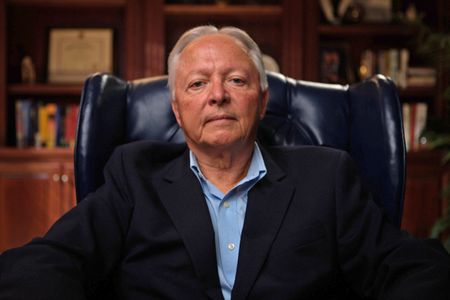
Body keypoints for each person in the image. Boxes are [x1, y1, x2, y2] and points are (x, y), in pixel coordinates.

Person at [1, 25, 450, 300]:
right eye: (197, 84)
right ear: (176, 110)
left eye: (235, 79)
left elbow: (415, 269)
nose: (217, 94)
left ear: (262, 100)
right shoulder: (132, 175)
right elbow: (49, 261)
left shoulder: (327, 176)